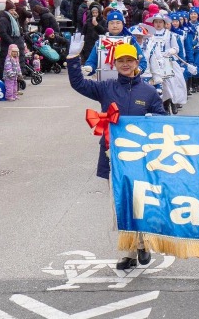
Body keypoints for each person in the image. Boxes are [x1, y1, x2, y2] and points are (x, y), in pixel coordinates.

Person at [66, 34, 165, 270]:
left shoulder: (149, 92)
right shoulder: (106, 88)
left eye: (130, 60)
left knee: (140, 201)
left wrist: (153, 118)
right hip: (113, 156)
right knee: (120, 204)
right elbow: (79, 84)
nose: (125, 64)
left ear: (137, 63)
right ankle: (129, 252)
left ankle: (142, 242)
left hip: (142, 158)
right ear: (114, 63)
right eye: (121, 61)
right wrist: (73, 58)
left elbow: (162, 119)